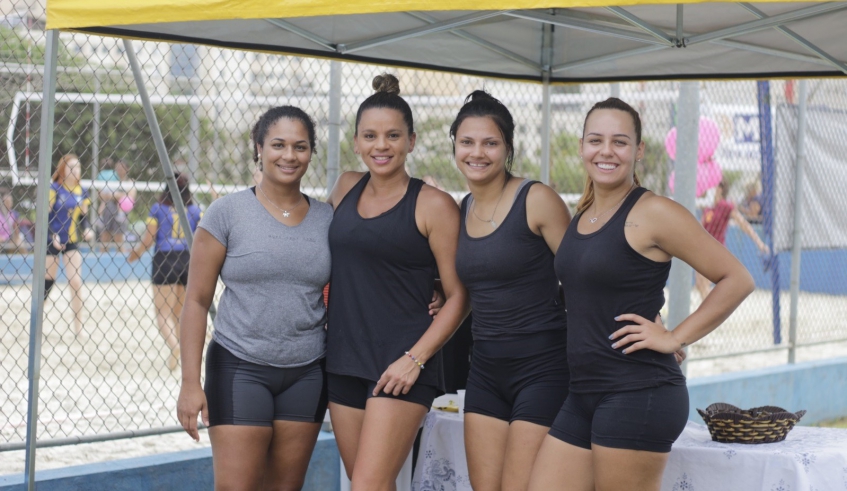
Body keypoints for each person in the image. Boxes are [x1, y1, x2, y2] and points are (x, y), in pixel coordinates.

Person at [528, 98, 755, 491]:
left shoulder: (654, 212)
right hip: (583, 392)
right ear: (582, 146)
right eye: (596, 140)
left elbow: (736, 278)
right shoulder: (584, 213)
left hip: (637, 391)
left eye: (619, 142)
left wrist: (674, 336)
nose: (606, 151)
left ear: (639, 150)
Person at [177, 106, 333, 491]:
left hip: (309, 371)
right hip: (239, 365)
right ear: (259, 148)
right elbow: (196, 301)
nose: (289, 155)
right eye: (278, 145)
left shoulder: (328, 218)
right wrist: (189, 383)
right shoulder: (226, 213)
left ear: (311, 152)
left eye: (300, 146)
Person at [325, 73, 468, 491]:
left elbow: (461, 295)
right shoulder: (345, 187)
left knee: (367, 485)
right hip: (345, 356)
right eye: (370, 136)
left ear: (412, 140)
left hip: (402, 362)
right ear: (355, 142)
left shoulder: (433, 204)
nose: (381, 146)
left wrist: (416, 359)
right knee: (371, 483)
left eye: (392, 135)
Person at [450, 90, 572, 491]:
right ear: (454, 144)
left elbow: (584, 276)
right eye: (467, 142)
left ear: (507, 148)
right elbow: (475, 285)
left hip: (541, 367)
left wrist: (652, 320)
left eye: (490, 142)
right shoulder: (462, 207)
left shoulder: (536, 199)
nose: (477, 153)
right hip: (484, 368)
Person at [128, 172, 201, 370]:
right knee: (179, 312)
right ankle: (181, 353)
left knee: (162, 312)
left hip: (165, 259)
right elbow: (201, 237)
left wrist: (135, 254)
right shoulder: (195, 211)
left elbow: (149, 238)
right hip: (187, 259)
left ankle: (174, 346)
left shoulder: (158, 209)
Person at [696, 180, 769, 300]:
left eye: (712, 186)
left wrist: (759, 243)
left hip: (716, 249)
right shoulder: (709, 207)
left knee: (704, 284)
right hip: (704, 249)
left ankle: (712, 313)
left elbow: (743, 224)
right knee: (701, 285)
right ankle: (712, 312)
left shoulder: (726, 206)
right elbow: (700, 227)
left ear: (720, 189)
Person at [45, 154, 93, 335]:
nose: (76, 170)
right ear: (63, 169)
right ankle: (38, 319)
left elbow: (83, 217)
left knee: (75, 282)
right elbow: (46, 215)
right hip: (52, 239)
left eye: (78, 167)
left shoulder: (82, 190)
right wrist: (52, 235)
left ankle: (78, 327)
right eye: (71, 167)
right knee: (48, 282)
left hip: (71, 240)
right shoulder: (54, 188)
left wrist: (87, 229)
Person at [97, 158, 135, 252]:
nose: (119, 169)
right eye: (117, 167)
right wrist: (117, 195)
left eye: (121, 167)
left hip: (121, 211)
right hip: (108, 209)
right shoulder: (111, 180)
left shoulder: (130, 182)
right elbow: (101, 195)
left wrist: (113, 195)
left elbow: (130, 196)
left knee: (119, 238)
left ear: (127, 169)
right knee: (105, 236)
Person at [0, 188, 23, 252]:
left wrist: (17, 238)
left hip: (10, 239)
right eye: (7, 202)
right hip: (1, 239)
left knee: (20, 244)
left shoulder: (13, 214)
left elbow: (16, 230)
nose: (9, 204)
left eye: (10, 202)